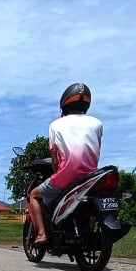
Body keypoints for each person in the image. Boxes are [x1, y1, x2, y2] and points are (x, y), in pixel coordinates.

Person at [29, 82, 103, 246]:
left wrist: (56, 172)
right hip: (91, 176)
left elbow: (55, 161)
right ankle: (88, 230)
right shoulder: (97, 123)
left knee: (34, 195)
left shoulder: (55, 125)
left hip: (67, 176)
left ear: (64, 103)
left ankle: (41, 234)